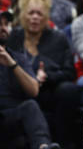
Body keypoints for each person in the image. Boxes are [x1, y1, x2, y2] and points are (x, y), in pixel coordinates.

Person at [7, 0, 79, 149]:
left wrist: (48, 76)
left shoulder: (58, 39)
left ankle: (63, 143)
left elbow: (70, 72)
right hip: (19, 92)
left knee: (69, 90)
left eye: (39, 14)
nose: (34, 18)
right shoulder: (13, 38)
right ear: (23, 14)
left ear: (46, 16)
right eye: (31, 12)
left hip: (49, 92)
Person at [0, 8, 61, 149]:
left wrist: (12, 64)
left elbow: (34, 90)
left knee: (30, 106)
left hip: (11, 116)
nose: (3, 28)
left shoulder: (16, 58)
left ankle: (43, 146)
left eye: (5, 24)